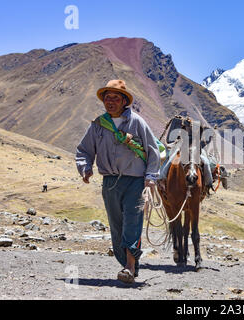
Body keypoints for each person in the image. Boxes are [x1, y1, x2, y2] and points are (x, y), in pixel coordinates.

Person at [75, 79, 160, 284]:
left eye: (115, 97)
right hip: (110, 183)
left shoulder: (137, 122)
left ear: (124, 101)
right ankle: (128, 264)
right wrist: (85, 168)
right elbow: (84, 150)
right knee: (116, 225)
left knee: (133, 222)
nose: (110, 101)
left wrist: (150, 178)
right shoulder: (98, 125)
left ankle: (129, 267)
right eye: (107, 97)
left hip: (135, 181)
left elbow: (152, 150)